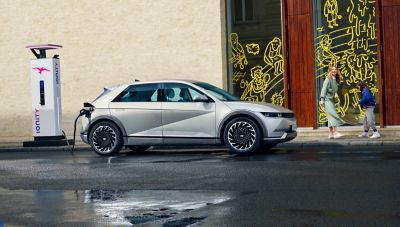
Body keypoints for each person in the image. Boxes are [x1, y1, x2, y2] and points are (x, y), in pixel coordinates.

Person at [319, 66, 345, 139]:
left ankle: (331, 133)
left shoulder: (335, 80)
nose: (334, 71)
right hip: (326, 100)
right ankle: (335, 132)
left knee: (330, 116)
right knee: (333, 114)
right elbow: (323, 89)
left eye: (335, 70)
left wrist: (339, 74)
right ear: (330, 71)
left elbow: (341, 82)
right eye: (332, 70)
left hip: (331, 100)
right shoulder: (328, 79)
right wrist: (322, 99)